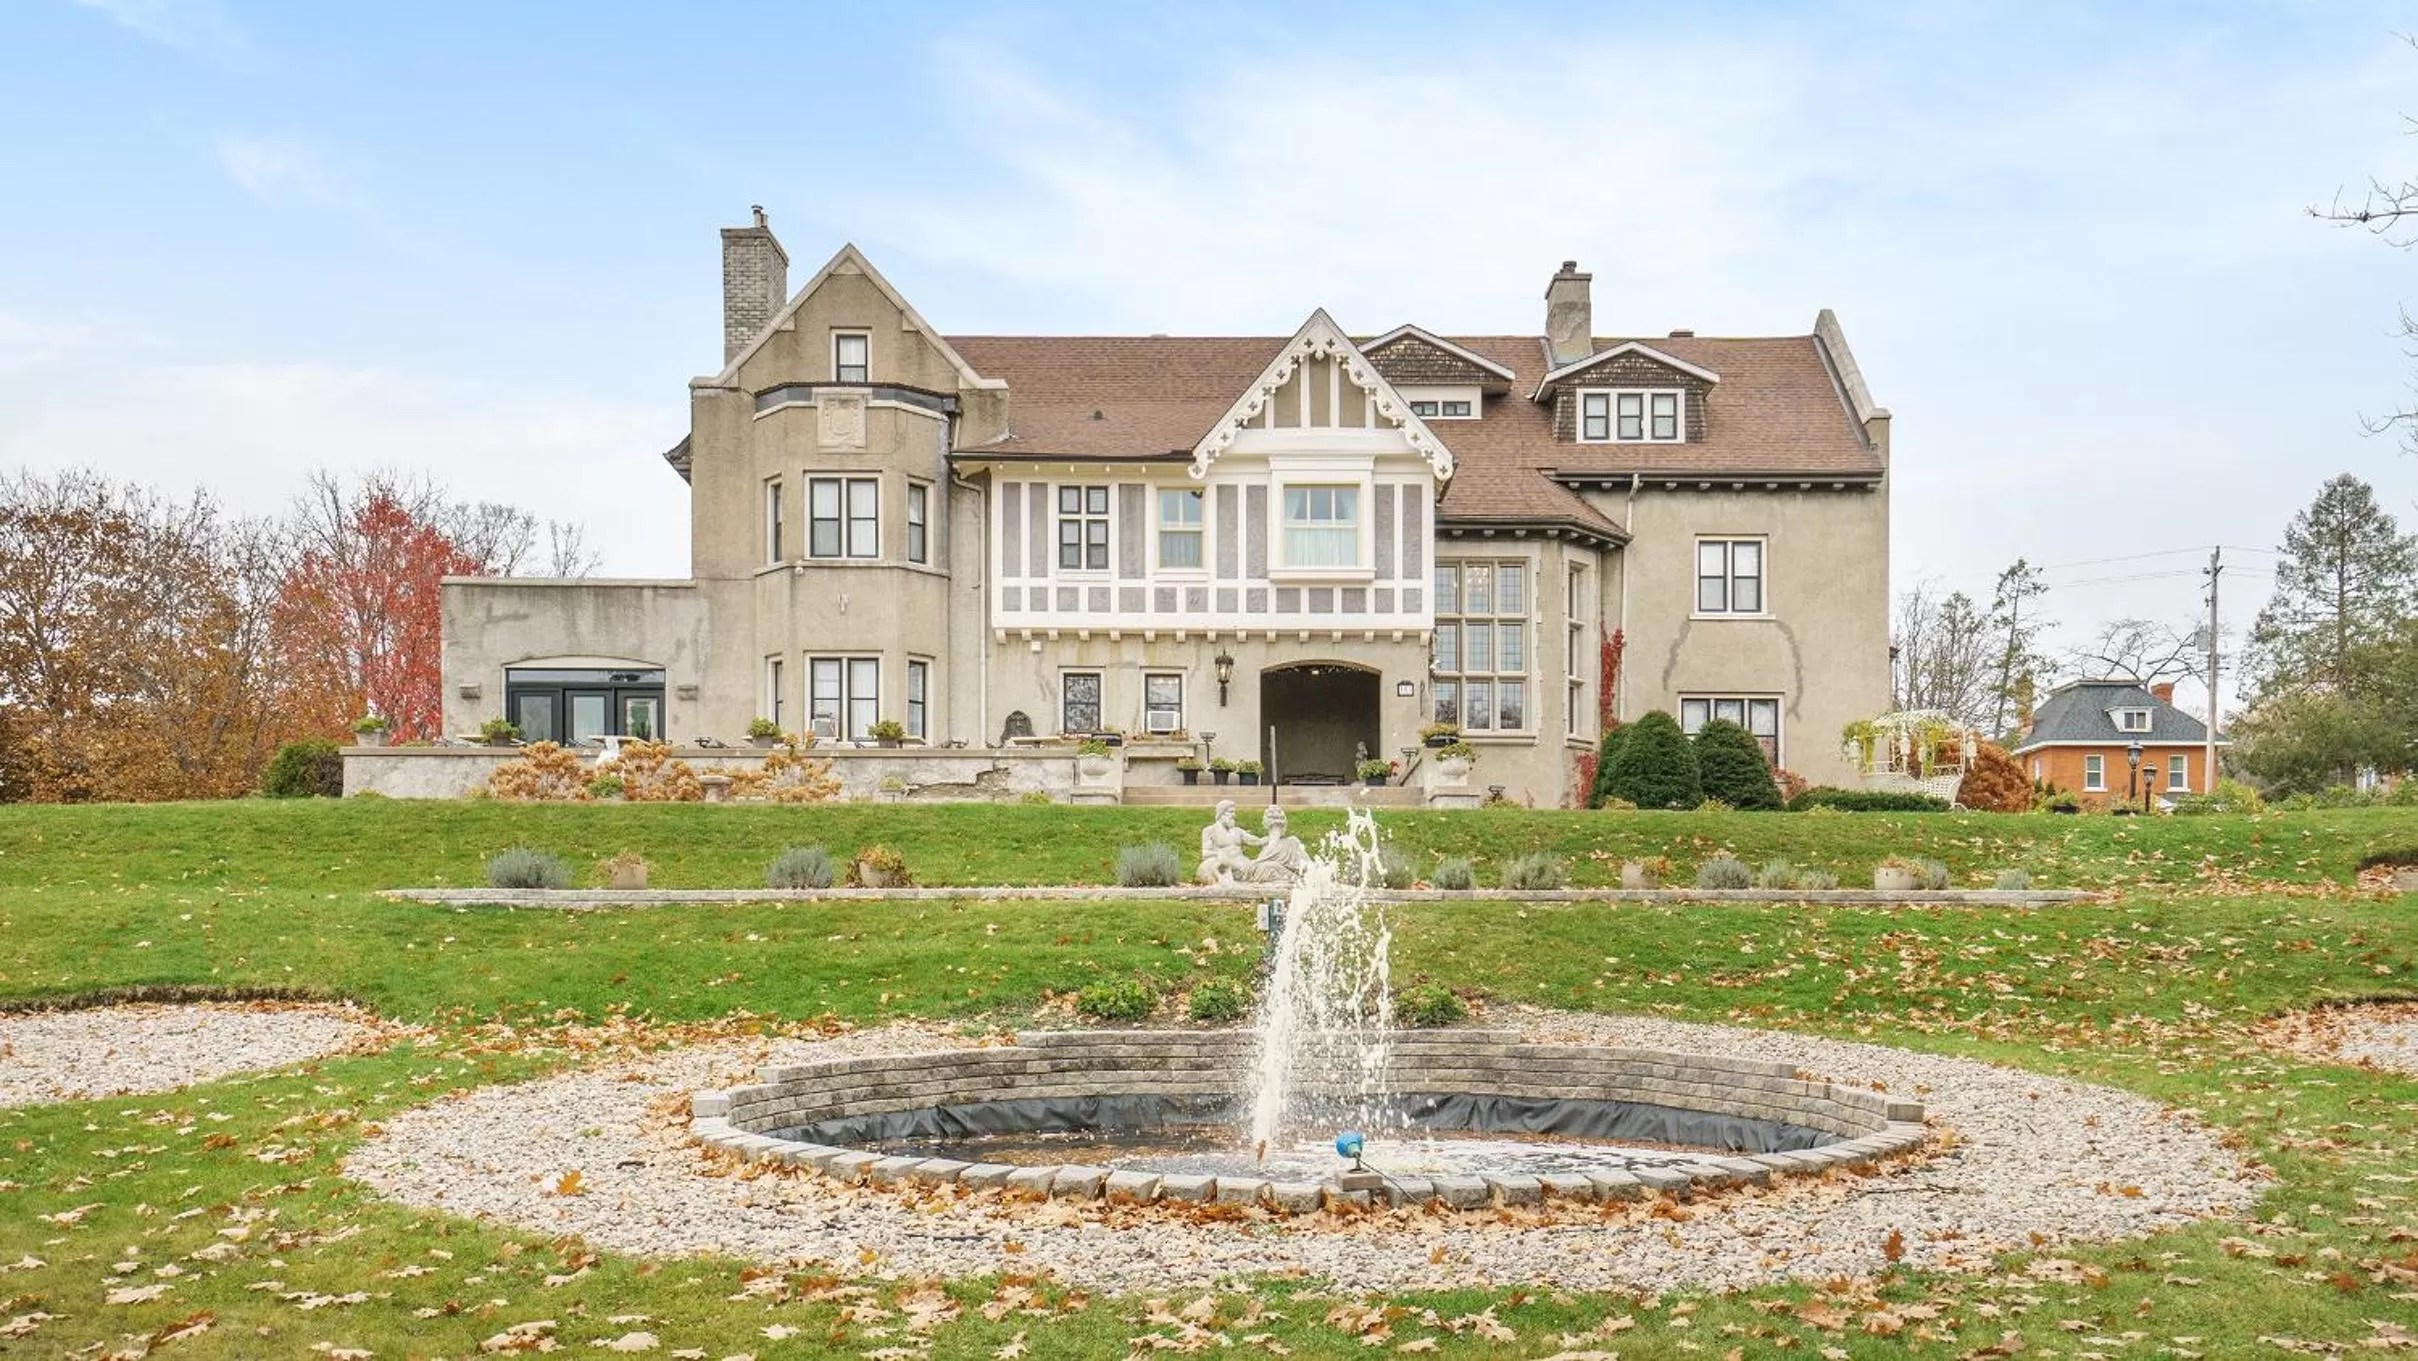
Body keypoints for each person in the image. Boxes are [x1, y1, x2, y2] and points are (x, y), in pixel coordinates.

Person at [1196, 799, 1262, 884]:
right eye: (1231, 812)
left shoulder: (1238, 831)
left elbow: (1256, 841)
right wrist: (1218, 854)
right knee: (1221, 865)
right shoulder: (1209, 831)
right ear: (1221, 813)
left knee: (1260, 868)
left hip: (1242, 862)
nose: (1234, 815)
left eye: (1234, 812)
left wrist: (1270, 838)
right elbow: (1205, 853)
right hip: (1224, 863)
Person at [1237, 805, 1307, 884]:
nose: (1276, 829)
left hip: (1287, 875)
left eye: (1278, 827)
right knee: (1259, 867)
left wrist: (1279, 866)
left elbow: (1305, 866)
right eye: (1273, 827)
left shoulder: (1292, 842)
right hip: (1268, 876)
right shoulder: (1266, 844)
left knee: (1265, 867)